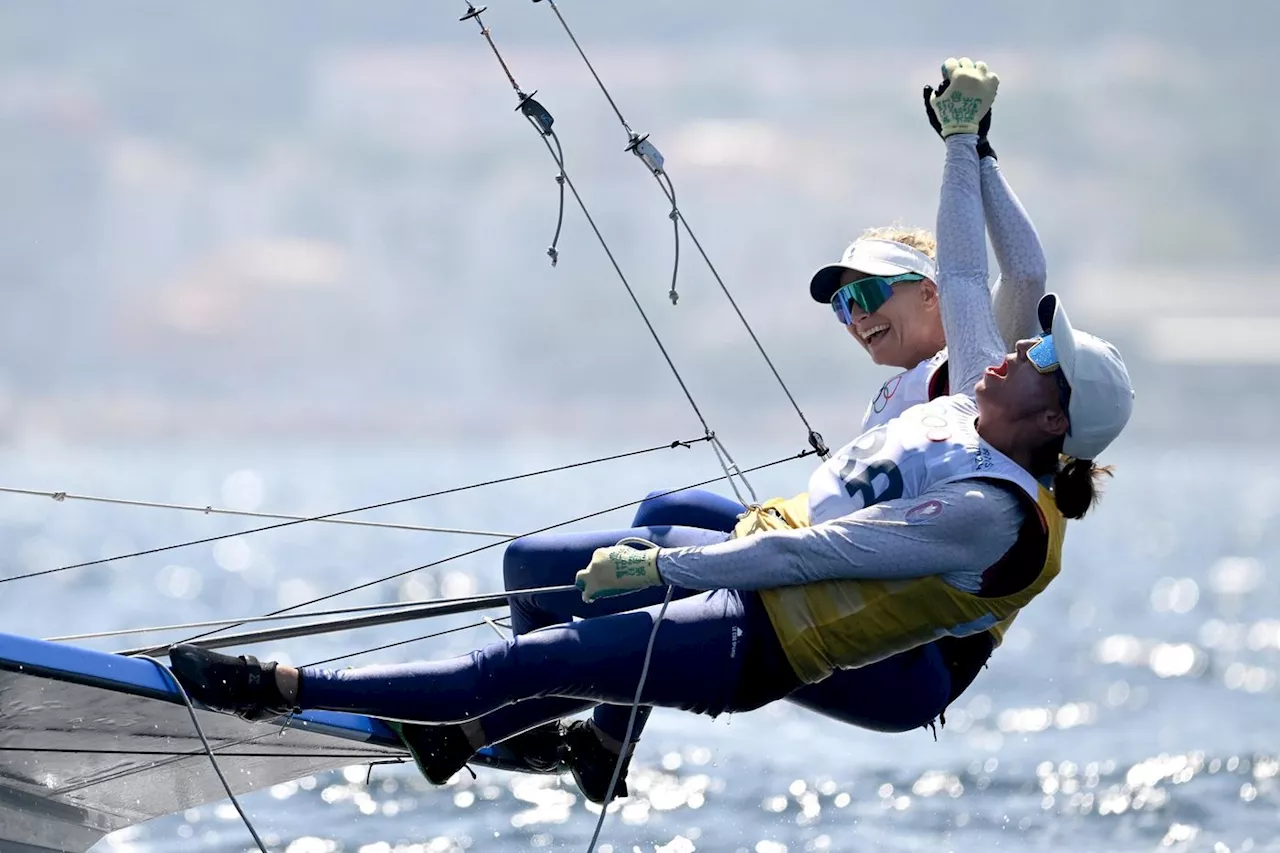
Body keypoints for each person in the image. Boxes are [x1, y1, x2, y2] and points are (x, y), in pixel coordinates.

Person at [169, 58, 1135, 805]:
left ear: (1054, 418)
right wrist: (965, 143)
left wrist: (664, 572)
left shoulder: (991, 509)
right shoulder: (971, 394)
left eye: (868, 295)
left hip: (837, 643)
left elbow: (823, 551)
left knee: (534, 657)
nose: (1013, 351)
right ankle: (528, 730)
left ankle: (296, 688)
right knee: (557, 568)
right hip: (771, 587)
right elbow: (970, 272)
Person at [403, 59, 1056, 801]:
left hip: (911, 663)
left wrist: (975, 148)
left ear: (934, 294)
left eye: (868, 294)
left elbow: (1021, 276)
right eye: (843, 308)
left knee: (548, 569)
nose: (856, 318)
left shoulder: (977, 373)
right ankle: (596, 741)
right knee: (659, 512)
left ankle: (492, 726)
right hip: (853, 596)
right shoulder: (898, 392)